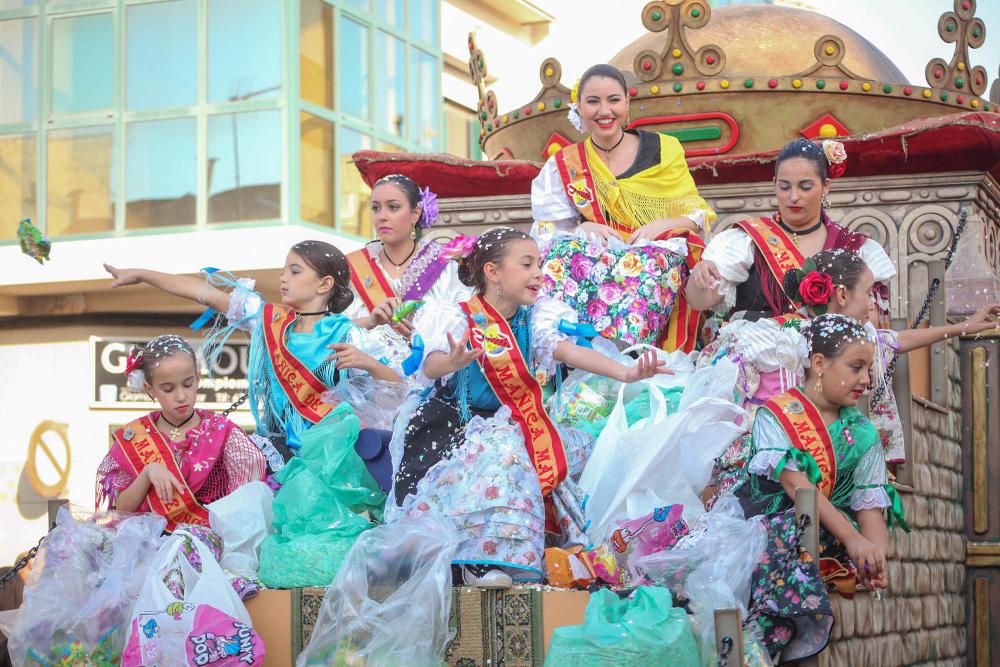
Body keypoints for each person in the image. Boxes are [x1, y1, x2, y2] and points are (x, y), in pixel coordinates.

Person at [388, 227, 670, 588]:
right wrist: (453, 362)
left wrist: (627, 372)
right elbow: (431, 365)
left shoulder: (534, 318)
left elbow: (568, 351)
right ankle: (478, 559)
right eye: (527, 264)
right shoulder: (457, 316)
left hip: (512, 422)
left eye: (538, 263)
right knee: (506, 450)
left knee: (583, 446)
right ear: (492, 272)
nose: (539, 272)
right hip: (452, 428)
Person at [103, 240, 407, 453]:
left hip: (332, 459)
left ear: (324, 284)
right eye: (285, 270)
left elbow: (402, 389)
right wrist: (143, 274)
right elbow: (204, 293)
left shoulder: (349, 334)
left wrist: (367, 362)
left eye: (294, 271)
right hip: (279, 451)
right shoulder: (269, 319)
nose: (283, 277)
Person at [734, 314, 909, 661]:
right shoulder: (776, 415)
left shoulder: (863, 433)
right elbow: (797, 485)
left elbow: (869, 503)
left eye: (868, 369)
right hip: (767, 527)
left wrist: (874, 557)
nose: (866, 379)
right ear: (818, 364)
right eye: (856, 367)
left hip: (827, 536)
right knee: (784, 537)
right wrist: (853, 539)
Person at [530, 63, 716, 352]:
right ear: (578, 107)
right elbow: (547, 232)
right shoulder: (565, 164)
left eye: (613, 100)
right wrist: (582, 228)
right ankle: (569, 356)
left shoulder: (664, 150)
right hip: (596, 259)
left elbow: (696, 216)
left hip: (656, 255)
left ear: (628, 104)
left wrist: (660, 226)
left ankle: (632, 360)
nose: (605, 111)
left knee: (648, 267)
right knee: (556, 262)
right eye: (593, 101)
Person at [685, 138, 896, 325]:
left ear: (825, 186)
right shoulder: (746, 240)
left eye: (805, 187)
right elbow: (699, 302)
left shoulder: (855, 248)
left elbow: (871, 326)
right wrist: (699, 278)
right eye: (785, 187)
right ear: (775, 184)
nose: (793, 197)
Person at [95, 335, 266, 532]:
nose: (181, 396)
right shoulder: (134, 436)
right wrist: (147, 473)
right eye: (168, 389)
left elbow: (247, 501)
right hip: (147, 547)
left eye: (188, 384)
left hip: (211, 546)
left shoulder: (225, 433)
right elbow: (120, 510)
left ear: (198, 378)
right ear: (150, 389)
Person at [345, 174, 472, 335]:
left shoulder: (444, 268)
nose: (382, 217)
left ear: (415, 213)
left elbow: (465, 325)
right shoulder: (353, 267)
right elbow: (329, 333)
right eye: (376, 208)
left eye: (393, 207)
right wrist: (370, 321)